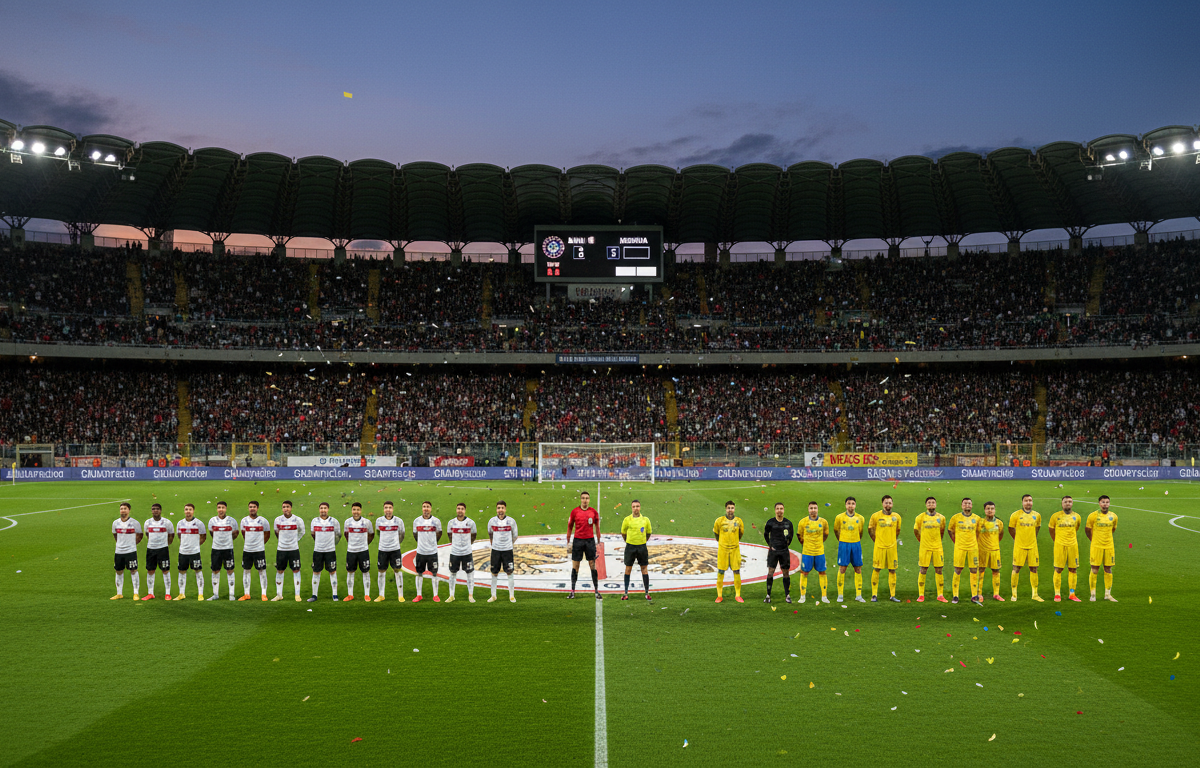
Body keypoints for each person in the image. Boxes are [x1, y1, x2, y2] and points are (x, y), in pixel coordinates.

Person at [566, 491, 601, 600]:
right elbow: (570, 526)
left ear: (589, 500)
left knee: (592, 565)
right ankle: (572, 591)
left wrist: (598, 540)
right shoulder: (574, 512)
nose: (585, 500)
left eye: (587, 498)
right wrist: (568, 541)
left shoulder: (593, 512)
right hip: (578, 541)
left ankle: (596, 591)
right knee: (575, 566)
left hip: (590, 541)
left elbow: (597, 527)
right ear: (580, 499)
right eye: (583, 498)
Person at [1008, 494, 1043, 601]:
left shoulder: (1037, 515)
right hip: (1019, 546)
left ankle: (1035, 594)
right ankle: (1014, 594)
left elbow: (1037, 528)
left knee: (1034, 569)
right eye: (1026, 500)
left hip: (1032, 546)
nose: (1028, 502)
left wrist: (1031, 539)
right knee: (1016, 568)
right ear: (1022, 502)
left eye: (1030, 500)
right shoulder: (1015, 515)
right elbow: (1011, 529)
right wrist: (1018, 538)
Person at [1048, 495, 1082, 602]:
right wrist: (1057, 540)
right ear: (1062, 504)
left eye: (1070, 502)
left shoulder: (1077, 516)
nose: (1068, 503)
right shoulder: (1055, 516)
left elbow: (1076, 528)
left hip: (1073, 546)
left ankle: (1072, 594)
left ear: (1072, 503)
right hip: (1059, 546)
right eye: (1065, 502)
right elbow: (1051, 529)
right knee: (1058, 569)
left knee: (1073, 569)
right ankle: (1057, 594)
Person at [947, 497, 981, 604]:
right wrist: (956, 542)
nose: (967, 505)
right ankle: (955, 595)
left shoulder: (977, 518)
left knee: (974, 570)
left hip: (973, 548)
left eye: (969, 503)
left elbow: (979, 533)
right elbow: (950, 531)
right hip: (960, 548)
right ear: (962, 505)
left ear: (971, 505)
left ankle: (974, 595)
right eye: (965, 503)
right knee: (958, 569)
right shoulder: (955, 518)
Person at [868, 495, 902, 602]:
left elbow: (897, 531)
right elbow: (870, 530)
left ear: (892, 504)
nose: (888, 505)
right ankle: (874, 595)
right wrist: (877, 540)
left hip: (892, 548)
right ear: (882, 504)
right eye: (886, 503)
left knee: (892, 570)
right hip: (879, 547)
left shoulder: (897, 517)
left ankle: (892, 595)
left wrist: (891, 540)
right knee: (877, 569)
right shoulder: (875, 516)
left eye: (890, 503)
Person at [914, 496, 947, 603]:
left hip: (937, 548)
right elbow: (916, 531)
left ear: (936, 504)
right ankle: (921, 595)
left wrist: (936, 542)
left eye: (933, 502)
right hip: (925, 548)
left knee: (939, 570)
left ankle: (940, 595)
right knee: (923, 569)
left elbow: (942, 531)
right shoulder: (920, 517)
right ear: (926, 505)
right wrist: (922, 541)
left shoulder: (941, 518)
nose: (931, 504)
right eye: (929, 503)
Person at [1085, 495, 1118, 602]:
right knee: (1094, 569)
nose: (1105, 504)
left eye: (1107, 502)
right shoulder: (1092, 516)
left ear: (1109, 503)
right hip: (1096, 546)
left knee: (1108, 569)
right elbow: (1087, 530)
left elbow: (1113, 529)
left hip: (1109, 546)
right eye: (1103, 502)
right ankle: (1093, 594)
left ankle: (1108, 594)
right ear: (1099, 503)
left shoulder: (1114, 516)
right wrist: (1094, 540)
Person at [833, 496, 865, 603]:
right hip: (844, 544)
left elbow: (860, 532)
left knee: (858, 569)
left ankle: (859, 595)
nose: (850, 505)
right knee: (842, 568)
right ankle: (840, 595)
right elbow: (836, 531)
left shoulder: (860, 518)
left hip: (856, 545)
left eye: (852, 503)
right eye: (848, 503)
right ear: (845, 505)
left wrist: (854, 540)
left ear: (855, 505)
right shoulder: (839, 517)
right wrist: (843, 539)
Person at [308, 502, 341, 602]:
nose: (323, 510)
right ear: (319, 510)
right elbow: (313, 534)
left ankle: (335, 595)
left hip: (330, 551)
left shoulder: (334, 521)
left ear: (328, 509)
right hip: (318, 550)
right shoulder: (314, 521)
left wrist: (331, 544)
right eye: (321, 508)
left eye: (325, 508)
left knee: (332, 571)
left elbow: (338, 535)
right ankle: (314, 595)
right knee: (316, 571)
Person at [620, 499, 653, 601]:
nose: (636, 508)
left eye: (637, 506)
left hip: (642, 547)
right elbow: (623, 533)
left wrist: (642, 541)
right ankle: (625, 593)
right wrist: (629, 541)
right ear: (631, 508)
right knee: (628, 569)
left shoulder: (645, 520)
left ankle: (647, 593)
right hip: (630, 547)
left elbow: (648, 533)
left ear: (640, 507)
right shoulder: (627, 520)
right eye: (634, 506)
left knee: (644, 568)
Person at [272, 500, 305, 601]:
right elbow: (276, 532)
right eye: (284, 507)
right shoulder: (277, 520)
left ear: (291, 508)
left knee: (296, 570)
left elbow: (302, 532)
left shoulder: (297, 520)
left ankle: (297, 595)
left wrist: (295, 540)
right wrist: (282, 541)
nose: (285, 509)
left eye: (287, 507)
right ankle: (279, 595)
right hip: (281, 549)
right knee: (280, 570)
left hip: (293, 549)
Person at [713, 500, 745, 603]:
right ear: (725, 509)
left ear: (734, 509)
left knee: (736, 571)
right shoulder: (719, 521)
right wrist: (722, 542)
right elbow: (716, 533)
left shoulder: (739, 521)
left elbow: (740, 534)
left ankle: (738, 595)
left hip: (735, 549)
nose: (730, 510)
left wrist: (734, 542)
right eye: (728, 508)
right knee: (721, 571)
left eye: (732, 508)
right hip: (723, 549)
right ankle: (719, 596)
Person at [374, 501, 406, 602]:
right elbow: (378, 532)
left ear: (393, 509)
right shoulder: (379, 521)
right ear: (383, 509)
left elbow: (402, 534)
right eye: (386, 508)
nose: (388, 510)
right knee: (381, 572)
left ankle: (400, 595)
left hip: (395, 550)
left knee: (397, 571)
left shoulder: (399, 521)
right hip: (383, 550)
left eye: (390, 508)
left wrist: (396, 543)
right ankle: (381, 595)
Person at [207, 501, 239, 601]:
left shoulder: (232, 521)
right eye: (219, 507)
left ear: (226, 509)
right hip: (216, 549)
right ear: (217, 509)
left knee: (230, 570)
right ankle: (215, 594)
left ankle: (231, 594)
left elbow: (235, 533)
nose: (221, 509)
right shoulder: (212, 521)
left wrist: (227, 541)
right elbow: (211, 533)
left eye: (223, 507)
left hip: (228, 549)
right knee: (215, 570)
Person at [239, 501, 271, 601]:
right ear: (248, 508)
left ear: (257, 508)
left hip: (259, 550)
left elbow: (267, 534)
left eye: (254, 507)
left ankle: (264, 594)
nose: (252, 508)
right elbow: (243, 533)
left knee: (262, 571)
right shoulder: (244, 521)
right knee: (246, 570)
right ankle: (247, 594)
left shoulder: (263, 521)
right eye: (250, 507)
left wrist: (260, 544)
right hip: (247, 550)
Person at [446, 503, 478, 603]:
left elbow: (473, 535)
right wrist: (456, 545)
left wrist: (467, 545)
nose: (460, 510)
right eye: (458, 508)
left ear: (465, 510)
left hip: (467, 553)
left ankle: (470, 595)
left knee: (470, 574)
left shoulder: (470, 523)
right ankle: (451, 595)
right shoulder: (451, 523)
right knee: (452, 573)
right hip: (455, 553)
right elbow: (449, 536)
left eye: (462, 509)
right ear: (456, 510)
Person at [762, 502, 794, 604]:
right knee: (770, 572)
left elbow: (791, 536)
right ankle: (768, 595)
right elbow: (766, 534)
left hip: (784, 551)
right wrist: (771, 545)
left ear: (783, 510)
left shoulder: (788, 523)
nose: (779, 510)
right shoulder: (770, 522)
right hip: (773, 552)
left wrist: (785, 545)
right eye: (777, 509)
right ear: (775, 510)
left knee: (786, 573)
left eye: (781, 508)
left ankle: (787, 595)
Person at [798, 501, 829, 603]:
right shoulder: (803, 522)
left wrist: (818, 543)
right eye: (811, 508)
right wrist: (807, 544)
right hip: (807, 552)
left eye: (815, 508)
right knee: (804, 572)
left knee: (822, 572)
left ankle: (824, 596)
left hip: (819, 552)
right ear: (808, 509)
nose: (813, 510)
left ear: (817, 509)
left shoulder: (823, 522)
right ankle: (802, 596)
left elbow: (825, 535)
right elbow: (800, 536)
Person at [487, 500, 518, 603]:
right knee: (494, 572)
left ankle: (512, 596)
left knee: (509, 572)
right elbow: (490, 534)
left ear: (505, 509)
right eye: (498, 508)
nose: (500, 510)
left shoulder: (511, 521)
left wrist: (508, 544)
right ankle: (493, 595)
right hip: (496, 550)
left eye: (502, 508)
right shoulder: (492, 521)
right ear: (496, 509)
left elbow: (515, 535)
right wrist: (495, 544)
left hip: (507, 551)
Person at [412, 501, 443, 603]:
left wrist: (432, 543)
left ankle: (435, 595)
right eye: (424, 507)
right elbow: (415, 535)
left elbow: (439, 533)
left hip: (432, 552)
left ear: (431, 508)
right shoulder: (416, 521)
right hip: (420, 552)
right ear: (422, 508)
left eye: (428, 507)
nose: (426, 509)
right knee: (419, 573)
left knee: (434, 574)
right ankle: (419, 595)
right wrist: (422, 543)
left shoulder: (436, 521)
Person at [142, 503, 174, 601]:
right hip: (151, 549)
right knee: (150, 570)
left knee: (165, 570)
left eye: (157, 509)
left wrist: (165, 544)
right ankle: (150, 593)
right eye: (153, 509)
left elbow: (171, 535)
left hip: (163, 550)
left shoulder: (167, 522)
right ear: (151, 511)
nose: (155, 510)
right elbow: (147, 534)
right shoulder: (147, 522)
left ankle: (167, 593)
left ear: (160, 510)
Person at [343, 502, 374, 601]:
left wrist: (365, 544)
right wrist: (352, 544)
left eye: (358, 510)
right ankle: (350, 594)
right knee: (350, 572)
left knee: (365, 572)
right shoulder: (347, 522)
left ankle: (367, 594)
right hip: (351, 551)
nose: (356, 512)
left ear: (361, 510)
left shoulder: (367, 522)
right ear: (352, 510)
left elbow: (371, 534)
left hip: (363, 551)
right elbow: (346, 534)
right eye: (354, 510)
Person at [111, 502, 142, 600]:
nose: (123, 510)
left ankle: (136, 593)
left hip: (131, 551)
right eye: (121, 508)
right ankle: (119, 593)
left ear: (129, 510)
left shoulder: (134, 523)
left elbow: (140, 535)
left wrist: (132, 544)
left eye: (125, 508)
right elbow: (115, 535)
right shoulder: (115, 523)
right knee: (118, 571)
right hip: (119, 551)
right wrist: (120, 544)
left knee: (133, 570)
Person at [175, 503, 206, 600]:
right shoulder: (180, 523)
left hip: (194, 552)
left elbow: (203, 537)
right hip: (183, 552)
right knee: (181, 571)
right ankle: (181, 594)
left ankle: (200, 594)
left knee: (198, 571)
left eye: (190, 509)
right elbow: (179, 536)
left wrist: (195, 545)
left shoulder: (199, 523)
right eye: (186, 509)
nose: (188, 511)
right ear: (184, 511)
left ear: (193, 511)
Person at [977, 502, 1005, 601]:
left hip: (995, 551)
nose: (990, 510)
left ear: (994, 510)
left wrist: (994, 544)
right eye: (988, 508)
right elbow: (976, 535)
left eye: (992, 508)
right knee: (981, 571)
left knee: (996, 571)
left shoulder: (999, 523)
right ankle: (979, 594)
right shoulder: (980, 522)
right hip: (982, 551)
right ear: (984, 510)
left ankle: (996, 594)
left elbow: (1000, 535)